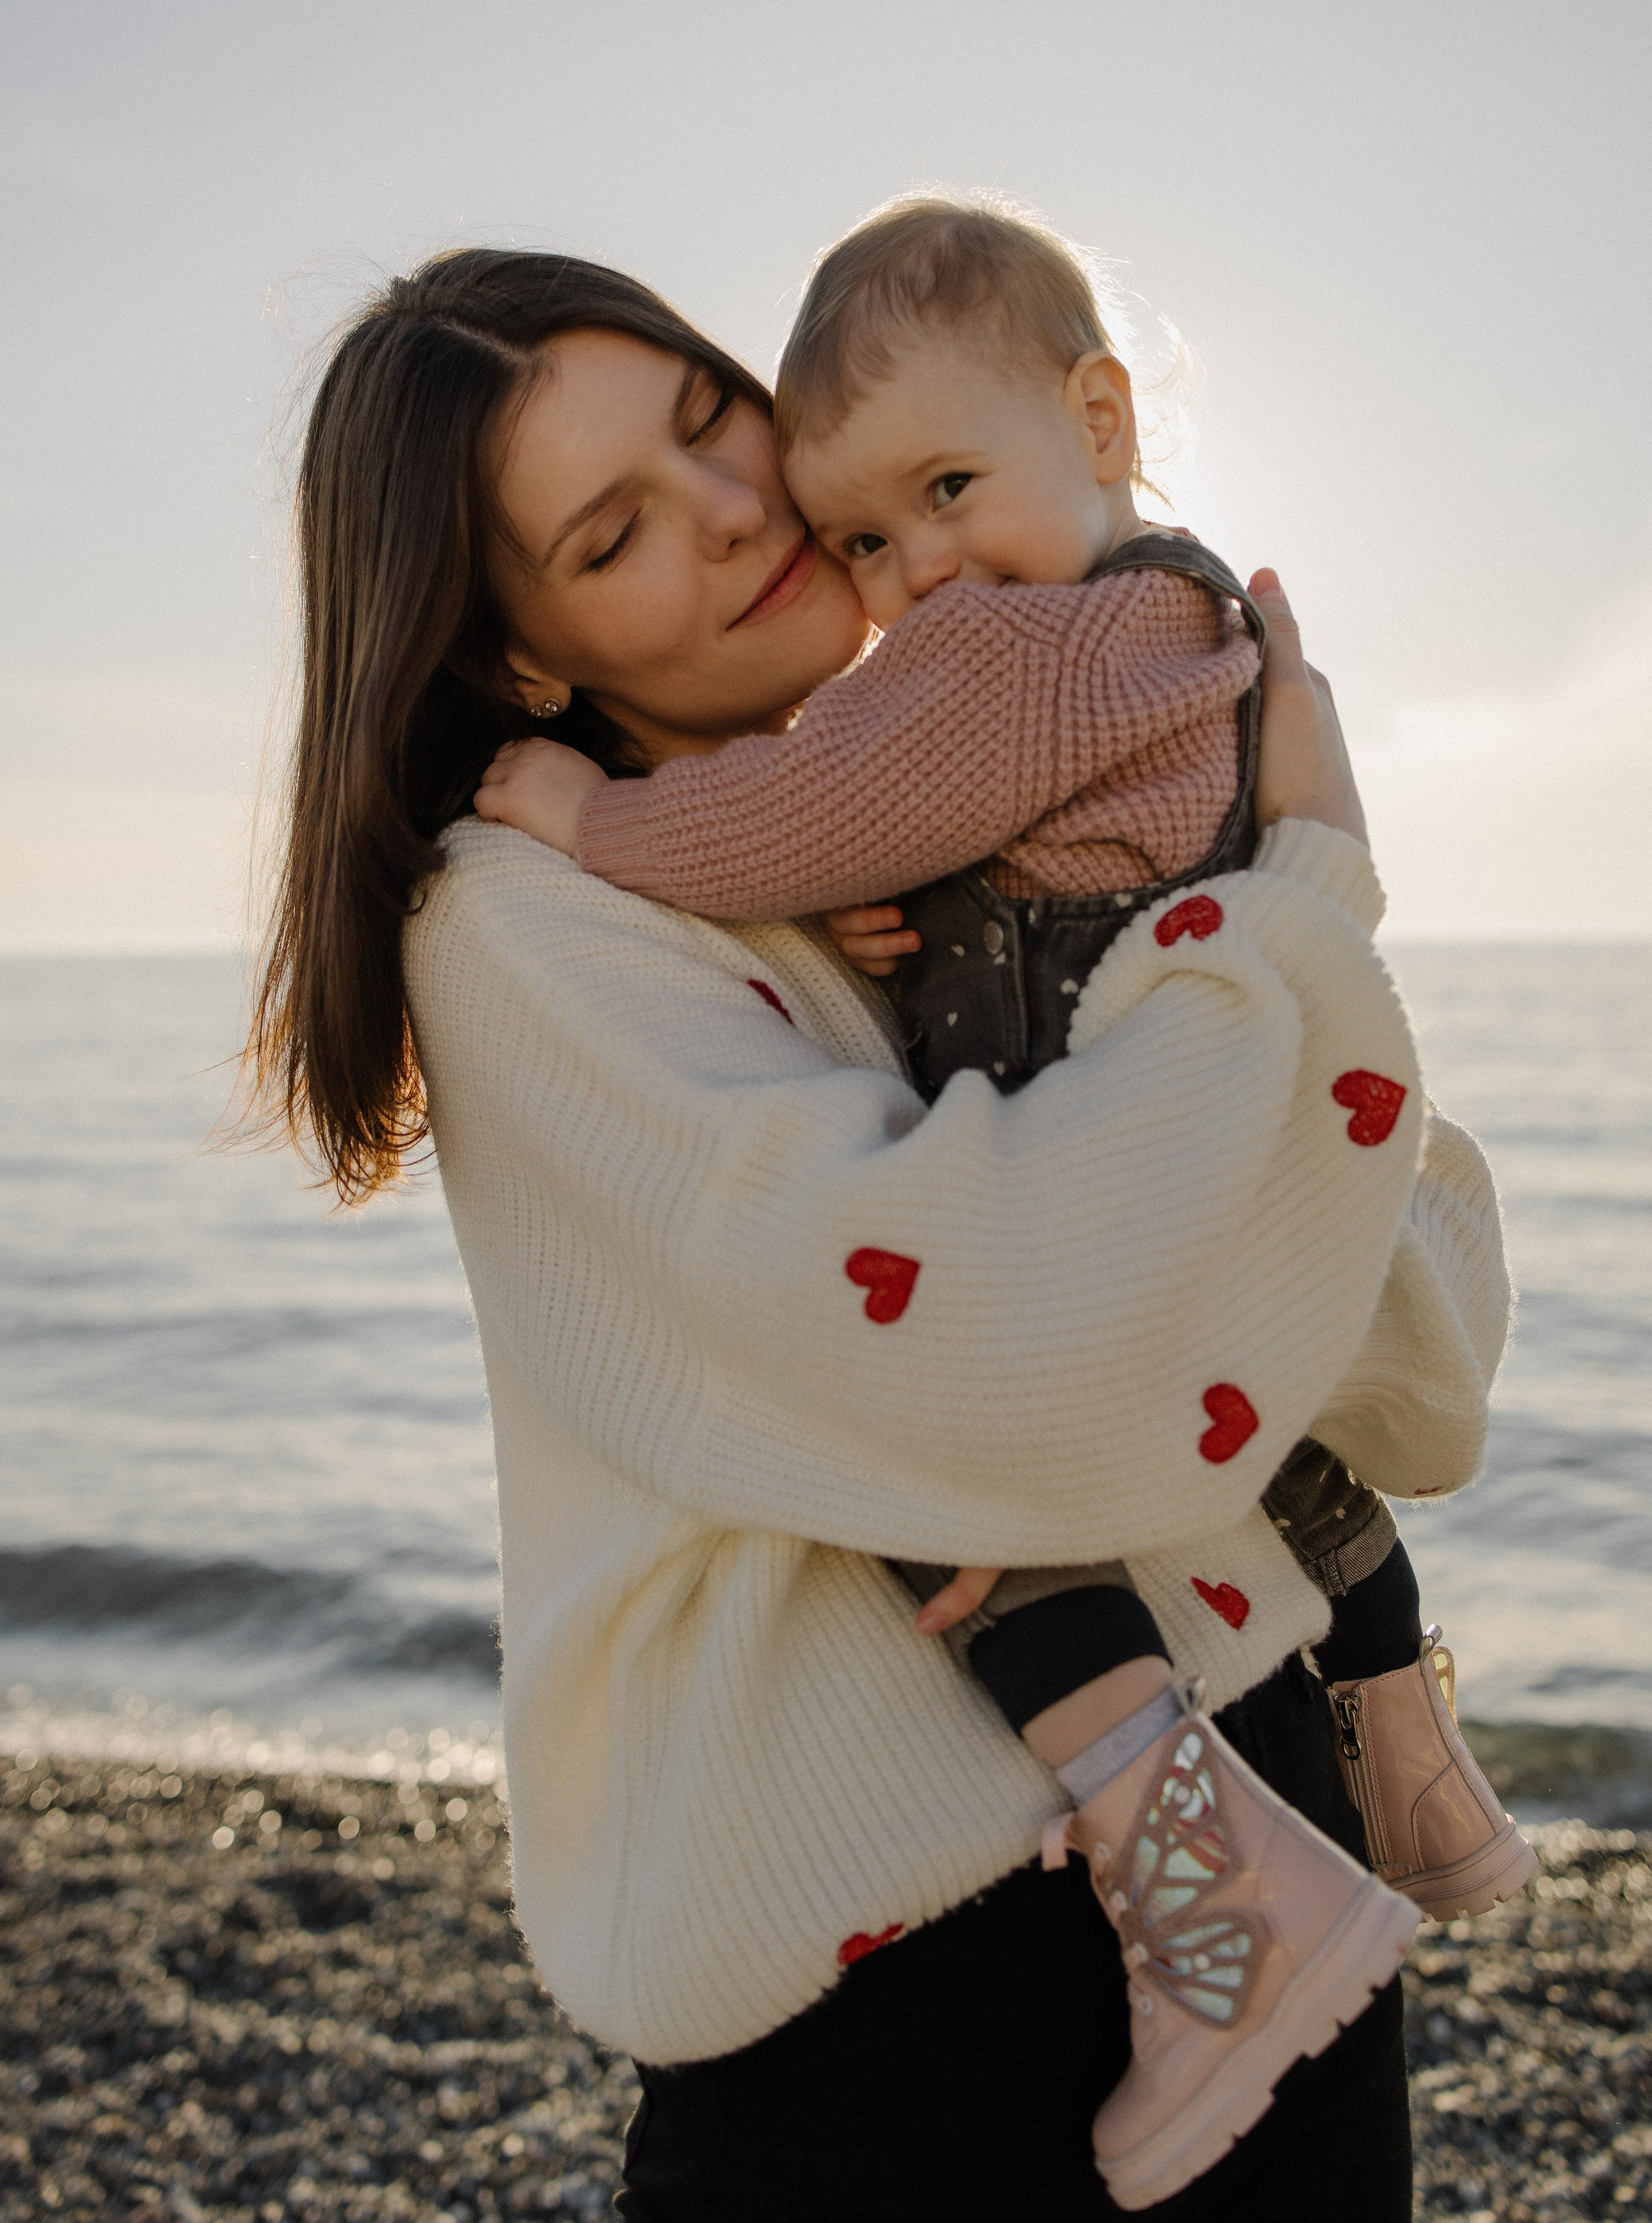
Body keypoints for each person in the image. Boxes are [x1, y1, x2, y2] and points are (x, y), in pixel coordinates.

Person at [247, 245, 1511, 2222]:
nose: (734, 508)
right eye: (617, 531)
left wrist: (1238, 1179)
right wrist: (1306, 909)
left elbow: (1427, 1348)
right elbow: (997, 1342)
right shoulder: (529, 918)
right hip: (902, 1989)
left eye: (702, 419)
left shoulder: (994, 792)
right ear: (516, 656)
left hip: (1291, 1825)